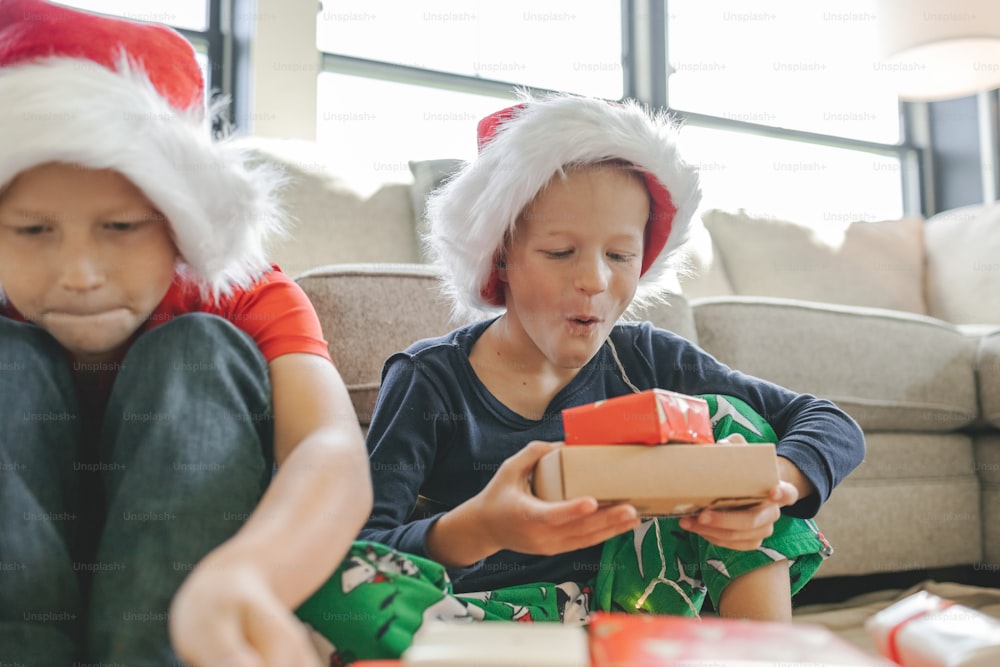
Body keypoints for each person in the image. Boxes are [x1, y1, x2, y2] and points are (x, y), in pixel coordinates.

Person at [295, 92, 866, 663]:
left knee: (733, 422)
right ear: (501, 258)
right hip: (485, 617)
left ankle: (763, 656)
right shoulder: (430, 378)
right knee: (331, 590)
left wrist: (772, 489)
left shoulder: (645, 358)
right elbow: (363, 551)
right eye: (560, 251)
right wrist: (480, 527)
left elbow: (828, 422)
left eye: (620, 256)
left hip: (638, 607)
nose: (594, 279)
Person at [0, 1, 371, 665]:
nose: (79, 273)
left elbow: (332, 447)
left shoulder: (242, 292)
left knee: (200, 349)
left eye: (120, 227)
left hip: (198, 585)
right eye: (33, 231)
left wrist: (253, 572)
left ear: (180, 222)